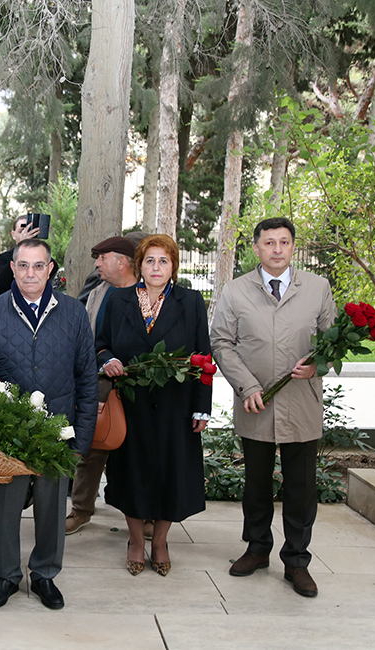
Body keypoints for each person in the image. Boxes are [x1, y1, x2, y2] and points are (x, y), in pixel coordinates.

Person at [0, 238, 98, 610]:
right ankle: (6, 574)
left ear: (50, 269)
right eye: (23, 265)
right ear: (13, 268)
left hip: (58, 428)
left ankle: (44, 573)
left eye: (38, 265)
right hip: (10, 428)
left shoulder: (73, 313)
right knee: (6, 506)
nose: (30, 273)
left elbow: (87, 378)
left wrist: (82, 441)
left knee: (52, 506)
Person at [210, 217, 335, 598]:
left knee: (301, 487)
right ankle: (257, 549)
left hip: (302, 404)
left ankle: (297, 561)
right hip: (256, 402)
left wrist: (319, 366)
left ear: (293, 247)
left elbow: (332, 341)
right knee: (257, 485)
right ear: (257, 248)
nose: (277, 249)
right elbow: (221, 342)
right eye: (269, 243)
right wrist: (246, 384)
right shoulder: (235, 291)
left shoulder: (317, 288)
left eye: (283, 242)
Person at [97, 234, 211, 577]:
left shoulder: (190, 302)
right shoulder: (118, 301)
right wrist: (108, 360)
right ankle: (135, 540)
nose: (156, 267)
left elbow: (203, 359)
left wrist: (201, 408)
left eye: (163, 261)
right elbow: (100, 345)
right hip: (131, 405)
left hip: (177, 408)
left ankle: (160, 540)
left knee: (171, 474)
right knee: (133, 473)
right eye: (150, 261)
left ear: (173, 265)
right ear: (139, 265)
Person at [65, 236, 138, 535]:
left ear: (121, 262)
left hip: (138, 384)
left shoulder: (147, 293)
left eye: (102, 258)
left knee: (135, 449)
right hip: (100, 380)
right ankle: (81, 510)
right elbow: (87, 336)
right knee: (93, 446)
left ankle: (139, 514)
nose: (97, 264)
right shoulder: (98, 292)